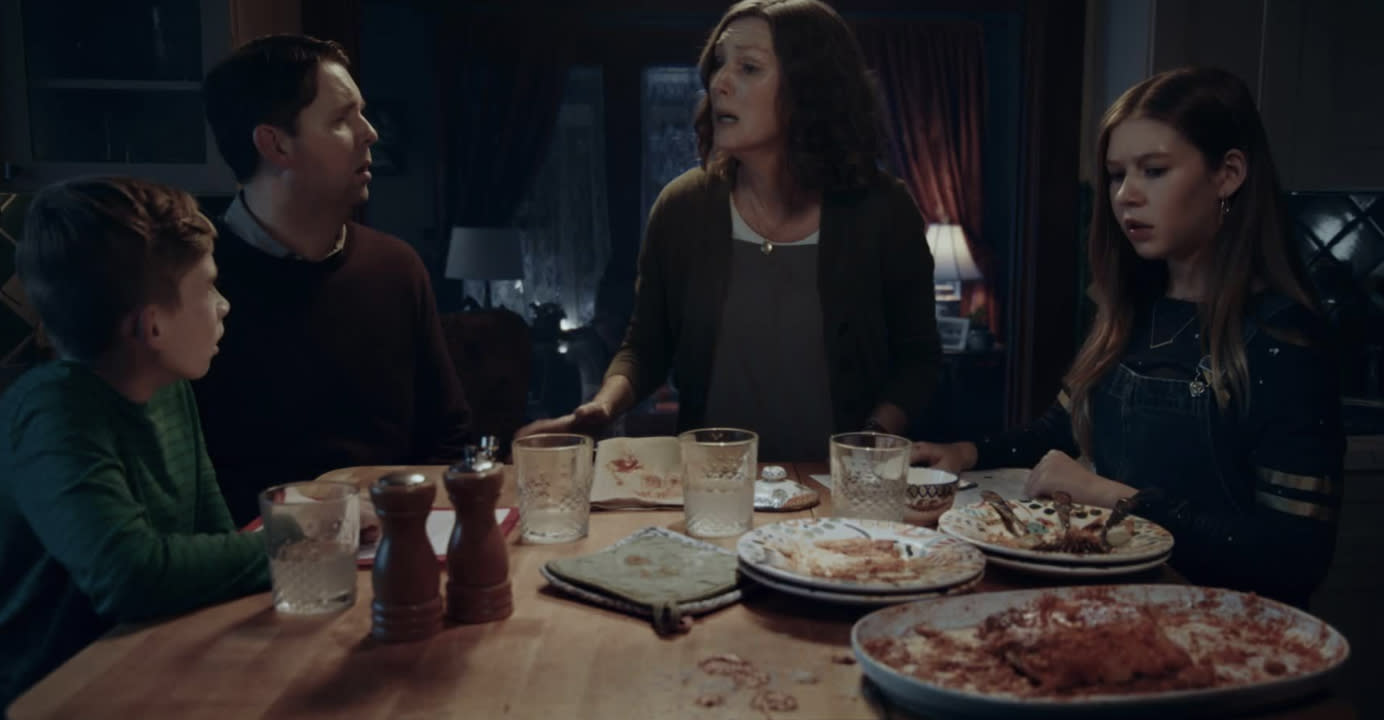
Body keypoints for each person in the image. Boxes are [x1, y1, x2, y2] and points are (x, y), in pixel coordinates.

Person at [912, 67, 1343, 607]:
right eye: (1116, 175)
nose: (1126, 196)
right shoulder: (1131, 314)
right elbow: (1064, 428)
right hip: (1114, 604)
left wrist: (1116, 500)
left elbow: (1292, 560)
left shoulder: (1284, 342)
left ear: (1228, 174)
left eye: (1155, 171)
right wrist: (967, 451)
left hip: (1225, 636)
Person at [519, 0, 940, 460]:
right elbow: (644, 346)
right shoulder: (683, 207)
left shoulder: (882, 210)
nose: (719, 83)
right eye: (719, 64)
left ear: (811, 88)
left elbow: (918, 360)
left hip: (838, 496)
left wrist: (871, 440)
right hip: (711, 488)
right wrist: (601, 407)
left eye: (749, 68)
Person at [0, 178, 270, 707]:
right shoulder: (53, 413)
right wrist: (294, 542)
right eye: (208, 288)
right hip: (60, 694)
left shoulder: (170, 389)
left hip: (159, 664)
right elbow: (128, 575)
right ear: (151, 327)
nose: (223, 306)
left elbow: (215, 540)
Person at [198, 35, 471, 525]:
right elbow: (195, 488)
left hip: (398, 544)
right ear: (275, 143)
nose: (370, 133)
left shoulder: (395, 267)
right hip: (260, 567)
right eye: (343, 119)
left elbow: (447, 436)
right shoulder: (192, 284)